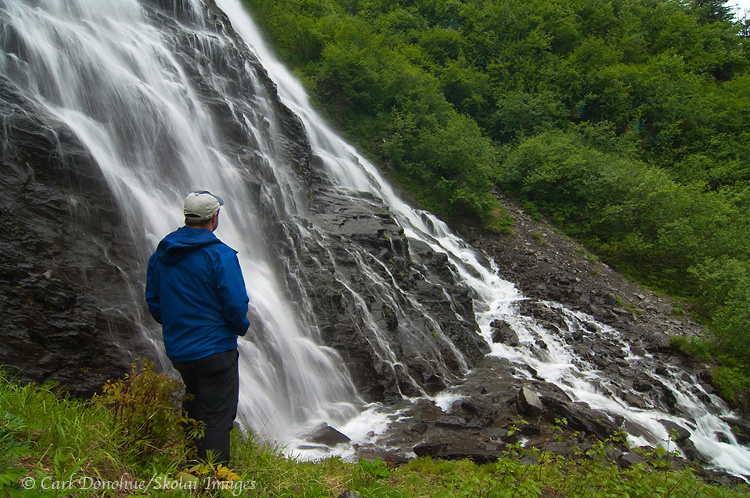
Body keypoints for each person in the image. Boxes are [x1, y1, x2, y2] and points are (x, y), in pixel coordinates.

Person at [145, 190, 250, 466]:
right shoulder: (220, 255)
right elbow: (236, 305)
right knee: (217, 414)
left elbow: (155, 304)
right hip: (215, 349)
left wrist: (177, 325)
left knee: (194, 405)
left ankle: (191, 466)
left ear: (187, 217)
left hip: (179, 349)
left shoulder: (161, 254)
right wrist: (239, 328)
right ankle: (213, 480)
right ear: (214, 217)